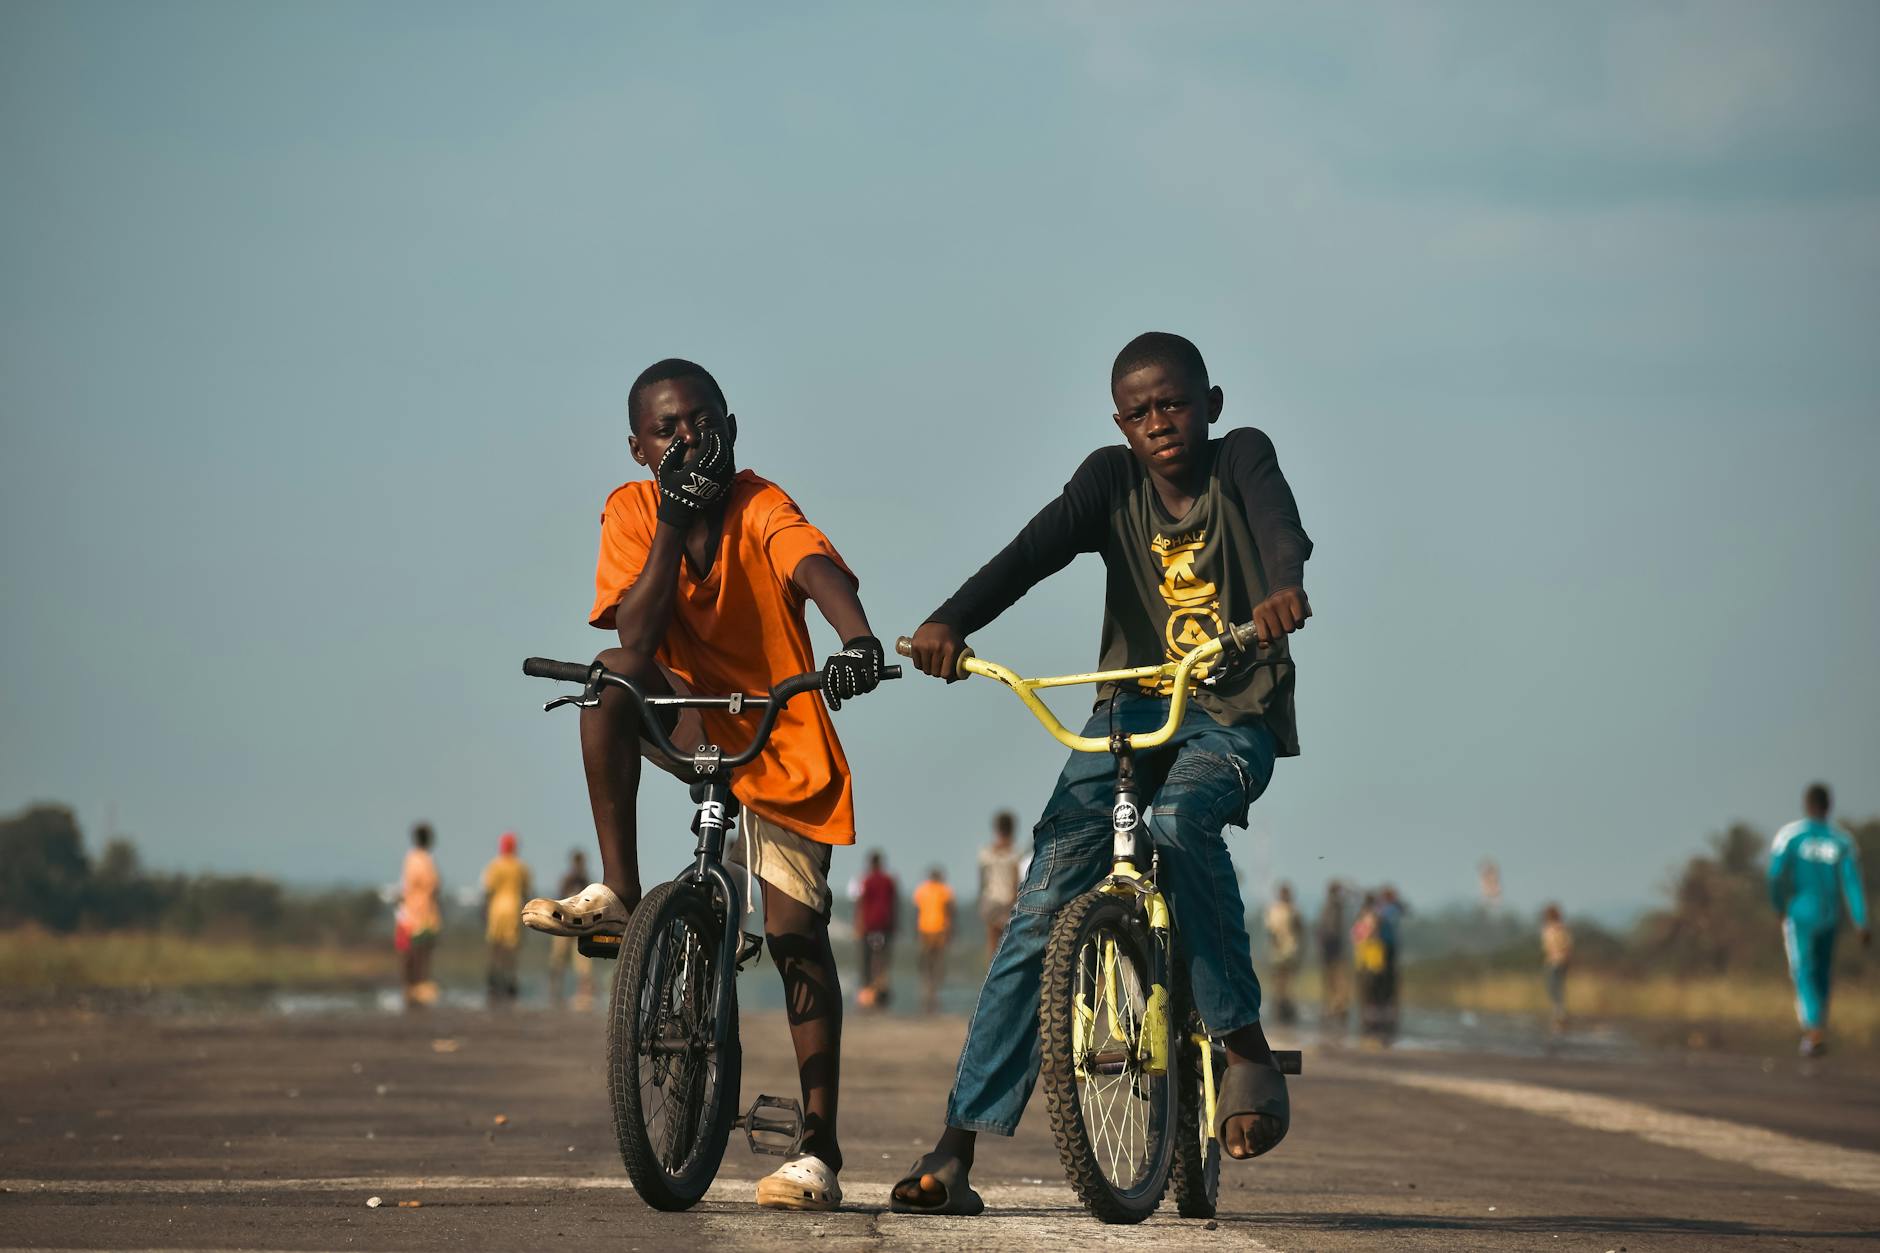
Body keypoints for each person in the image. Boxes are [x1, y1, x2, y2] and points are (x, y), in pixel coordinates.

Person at [894, 332, 1313, 1214]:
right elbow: (1029, 552)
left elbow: (1280, 527)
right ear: (1120, 423)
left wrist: (1281, 587)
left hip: (1233, 710)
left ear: (1210, 405)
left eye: (1175, 404)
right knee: (1043, 898)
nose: (1160, 423)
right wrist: (949, 621)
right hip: (1131, 708)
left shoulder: (1241, 458)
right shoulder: (1108, 480)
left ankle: (1243, 1045)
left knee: (1179, 821)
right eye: (1140, 411)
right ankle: (957, 1144)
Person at [519, 358, 890, 1211]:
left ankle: (819, 1147)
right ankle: (621, 890)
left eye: (701, 422)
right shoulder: (630, 508)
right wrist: (671, 520)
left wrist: (858, 640)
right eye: (667, 430)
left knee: (796, 937)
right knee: (611, 674)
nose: (687, 440)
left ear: (730, 426)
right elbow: (638, 632)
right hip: (691, 717)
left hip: (779, 732)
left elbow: (815, 567)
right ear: (639, 448)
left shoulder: (760, 504)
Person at [1767, 782, 1870, 1057]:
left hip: (1800, 915)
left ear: (1806, 804)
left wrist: (1778, 905)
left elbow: (1775, 875)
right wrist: (1861, 921)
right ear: (1829, 805)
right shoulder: (1843, 841)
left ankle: (1813, 1029)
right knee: (1823, 970)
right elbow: (1852, 883)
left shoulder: (1790, 836)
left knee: (1803, 970)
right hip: (1830, 915)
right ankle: (1818, 1027)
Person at [395, 823, 441, 1009]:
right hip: (422, 914)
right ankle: (416, 987)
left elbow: (404, 887)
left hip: (410, 912)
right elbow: (434, 886)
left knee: (412, 954)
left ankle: (412, 988)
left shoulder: (410, 859)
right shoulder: (424, 861)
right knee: (419, 953)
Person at [481, 832, 531, 1003]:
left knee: (495, 946)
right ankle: (510, 982)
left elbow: (488, 890)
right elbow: (526, 891)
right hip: (514, 908)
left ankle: (493, 981)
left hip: (496, 909)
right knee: (511, 948)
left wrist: (484, 911)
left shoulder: (495, 865)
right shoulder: (521, 867)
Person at [547, 850, 596, 1009]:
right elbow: (559, 899)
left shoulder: (586, 882)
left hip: (579, 925)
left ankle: (583, 994)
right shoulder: (568, 880)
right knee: (558, 958)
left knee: (583, 961)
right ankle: (555, 993)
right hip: (564, 923)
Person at [976, 811, 1023, 955]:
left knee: (992, 943)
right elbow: (1016, 880)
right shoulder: (1015, 854)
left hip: (991, 900)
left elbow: (982, 881)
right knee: (1007, 944)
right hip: (1008, 901)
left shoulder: (986, 853)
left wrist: (982, 900)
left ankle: (991, 968)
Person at [856, 852, 899, 1007]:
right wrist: (894, 923)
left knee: (867, 959)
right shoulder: (889, 880)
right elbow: (894, 903)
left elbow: (861, 902)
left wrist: (859, 923)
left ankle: (868, 992)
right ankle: (881, 991)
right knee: (883, 959)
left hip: (869, 925)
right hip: (885, 924)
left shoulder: (866, 880)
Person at [912, 867, 955, 1014]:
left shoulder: (922, 890)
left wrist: (916, 931)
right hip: (939, 930)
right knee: (936, 963)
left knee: (927, 963)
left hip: (925, 929)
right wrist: (951, 930)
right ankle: (933, 992)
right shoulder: (945, 890)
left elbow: (917, 911)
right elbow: (950, 911)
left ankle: (928, 991)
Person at [1263, 882, 1305, 1024]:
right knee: (1282, 981)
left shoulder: (1281, 910)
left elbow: (1271, 931)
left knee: (1284, 981)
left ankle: (1284, 1006)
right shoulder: (1289, 910)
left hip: (1285, 951)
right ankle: (1282, 1006)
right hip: (1285, 951)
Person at [1351, 892, 1390, 1043]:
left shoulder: (1374, 918)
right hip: (1366, 961)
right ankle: (1367, 1022)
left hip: (1373, 962)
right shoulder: (1366, 919)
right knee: (1367, 993)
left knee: (1373, 993)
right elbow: (1356, 937)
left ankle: (1372, 1022)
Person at [1316, 881, 1349, 1028]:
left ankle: (1337, 1006)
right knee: (1332, 978)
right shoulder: (1334, 906)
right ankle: (1334, 1006)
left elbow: (1329, 930)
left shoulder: (1333, 906)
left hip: (1333, 948)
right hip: (1331, 948)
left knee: (1335, 978)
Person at [1540, 903, 1572, 1031]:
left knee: (1553, 986)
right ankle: (1559, 1011)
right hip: (1558, 960)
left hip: (1555, 961)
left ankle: (1558, 1012)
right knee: (1557, 986)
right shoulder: (1561, 928)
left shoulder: (1552, 929)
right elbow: (1568, 944)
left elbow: (1552, 946)